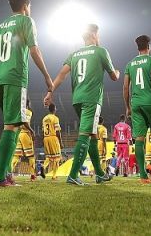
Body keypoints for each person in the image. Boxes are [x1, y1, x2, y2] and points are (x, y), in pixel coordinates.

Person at [0, 0, 53, 187]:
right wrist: (47, 76)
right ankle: (0, 178)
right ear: (25, 6)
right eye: (30, 6)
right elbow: (34, 50)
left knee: (13, 124)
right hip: (15, 77)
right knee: (11, 125)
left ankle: (7, 174)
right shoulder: (26, 21)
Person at [47, 23, 119, 185]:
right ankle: (73, 175)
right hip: (91, 99)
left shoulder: (74, 54)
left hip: (77, 99)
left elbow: (61, 74)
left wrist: (50, 91)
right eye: (98, 35)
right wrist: (118, 72)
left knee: (92, 135)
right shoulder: (101, 51)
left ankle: (99, 174)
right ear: (94, 35)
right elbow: (114, 77)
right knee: (85, 134)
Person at [123, 35, 151, 184]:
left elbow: (125, 87)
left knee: (139, 139)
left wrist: (128, 107)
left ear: (138, 48)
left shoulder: (130, 64)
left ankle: (143, 176)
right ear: (149, 47)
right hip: (150, 102)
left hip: (135, 104)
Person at [11, 100, 36, 180]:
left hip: (18, 134)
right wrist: (32, 131)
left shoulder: (19, 112)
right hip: (25, 134)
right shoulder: (28, 112)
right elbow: (25, 123)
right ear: (28, 104)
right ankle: (32, 175)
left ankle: (9, 173)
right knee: (31, 156)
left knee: (16, 155)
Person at [41, 104, 62, 180]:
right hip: (53, 137)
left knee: (49, 157)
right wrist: (61, 142)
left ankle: (43, 166)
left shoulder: (44, 118)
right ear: (54, 109)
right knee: (57, 157)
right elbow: (58, 131)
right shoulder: (55, 118)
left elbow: (42, 130)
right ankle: (54, 176)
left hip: (46, 138)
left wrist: (43, 140)